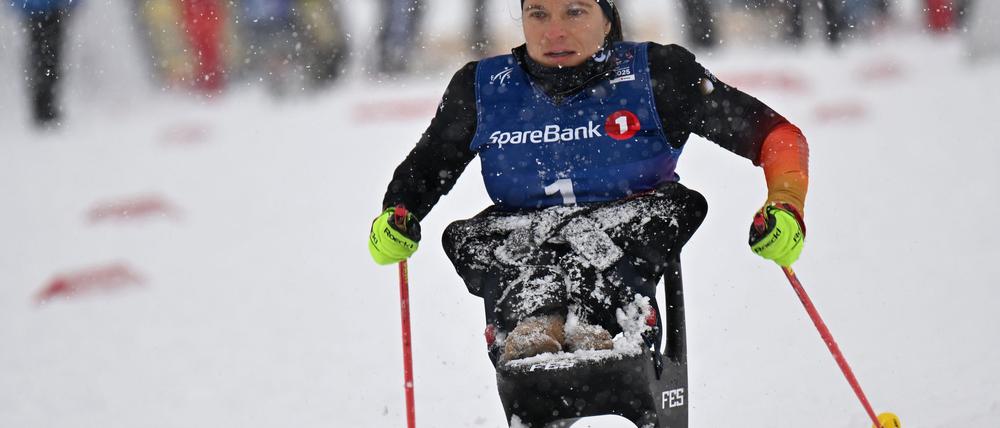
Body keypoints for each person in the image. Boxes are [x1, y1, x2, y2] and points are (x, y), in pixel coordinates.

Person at [368, 0, 808, 364]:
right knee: (468, 237)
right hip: (524, 237)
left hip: (629, 226)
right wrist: (397, 216)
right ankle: (535, 320)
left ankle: (600, 320)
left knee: (667, 211)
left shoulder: (657, 73)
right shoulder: (482, 88)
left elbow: (776, 136)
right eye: (538, 14)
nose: (554, 32)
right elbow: (423, 172)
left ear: (608, 19)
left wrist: (785, 204)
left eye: (575, 12)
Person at [9, 0, 77, 126]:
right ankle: (44, 104)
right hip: (48, 9)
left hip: (39, 10)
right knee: (47, 56)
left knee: (42, 56)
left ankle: (43, 104)